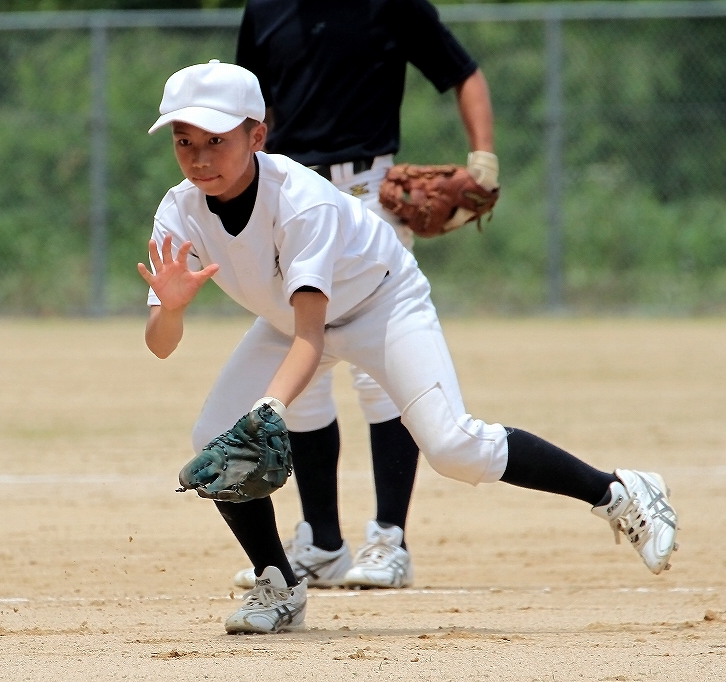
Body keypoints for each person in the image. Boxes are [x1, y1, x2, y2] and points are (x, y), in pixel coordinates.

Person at [138, 60, 678, 634]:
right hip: (286, 321)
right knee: (213, 441)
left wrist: (269, 409)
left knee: (453, 447)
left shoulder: (301, 201)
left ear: (257, 136)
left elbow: (311, 336)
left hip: (382, 304)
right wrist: (169, 309)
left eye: (217, 140)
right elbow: (161, 346)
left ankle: (618, 491)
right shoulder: (180, 209)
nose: (199, 157)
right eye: (183, 140)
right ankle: (279, 584)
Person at [230, 0, 499, 591]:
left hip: (368, 198)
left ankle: (388, 539)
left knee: (379, 373)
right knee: (300, 377)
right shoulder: (264, 9)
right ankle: (322, 543)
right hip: (289, 203)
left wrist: (483, 157)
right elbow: (252, 109)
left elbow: (463, 72)